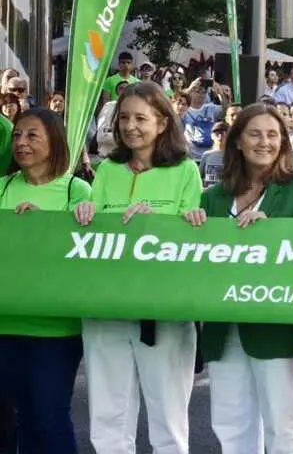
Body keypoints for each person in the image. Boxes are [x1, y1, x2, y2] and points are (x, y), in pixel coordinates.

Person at [72, 81, 203, 454]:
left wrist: (158, 225)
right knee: (108, 420)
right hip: (105, 310)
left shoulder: (185, 171)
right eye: (124, 118)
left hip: (164, 314)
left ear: (162, 122)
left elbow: (190, 239)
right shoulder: (106, 171)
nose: (130, 126)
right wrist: (84, 213)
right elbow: (90, 235)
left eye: (140, 118)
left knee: (168, 421)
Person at [182, 103, 293, 454]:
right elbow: (197, 260)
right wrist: (193, 223)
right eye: (255, 134)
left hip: (275, 330)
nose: (265, 142)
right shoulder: (212, 197)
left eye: (273, 135)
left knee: (283, 427)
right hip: (224, 329)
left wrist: (270, 235)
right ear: (237, 141)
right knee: (231, 425)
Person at [0, 108, 92, 453]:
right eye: (17, 135)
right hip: (5, 324)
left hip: (57, 329)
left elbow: (90, 250)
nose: (21, 142)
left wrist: (48, 229)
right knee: (22, 417)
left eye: (32, 135)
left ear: (54, 142)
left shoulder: (77, 190)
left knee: (50, 417)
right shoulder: (3, 186)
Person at [200, 122, 229, 188]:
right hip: (209, 194)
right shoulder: (206, 155)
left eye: (224, 134)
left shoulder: (234, 156)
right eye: (217, 134)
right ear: (212, 136)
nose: (220, 137)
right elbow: (199, 177)